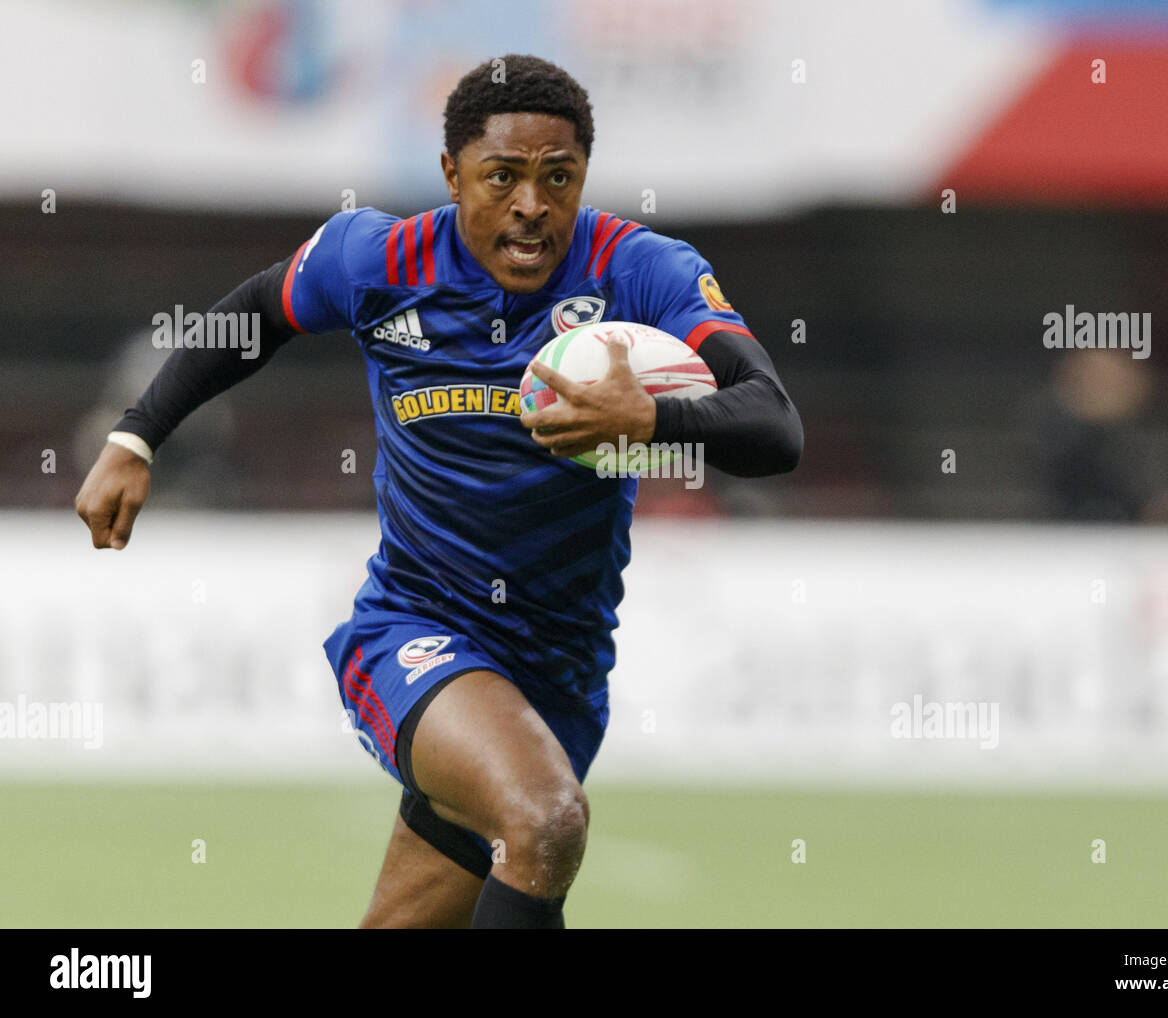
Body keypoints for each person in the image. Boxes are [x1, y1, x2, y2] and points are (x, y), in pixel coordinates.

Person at [74, 54, 802, 928]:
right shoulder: (377, 257)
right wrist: (136, 434)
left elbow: (774, 426)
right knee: (544, 820)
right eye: (502, 177)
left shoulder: (640, 271)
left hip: (559, 673)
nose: (532, 205)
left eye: (557, 177)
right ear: (452, 174)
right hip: (417, 633)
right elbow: (259, 312)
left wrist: (653, 422)